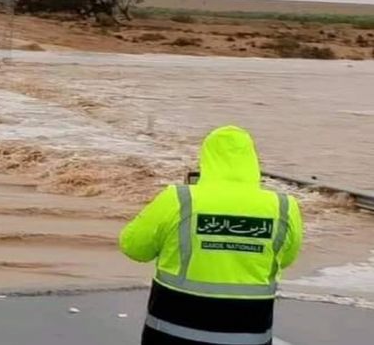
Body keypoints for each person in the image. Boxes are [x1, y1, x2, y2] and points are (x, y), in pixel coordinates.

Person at [120, 125, 303, 345]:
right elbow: (287, 258)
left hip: (173, 333)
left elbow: (134, 247)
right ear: (252, 161)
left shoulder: (179, 199)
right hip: (249, 336)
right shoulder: (283, 206)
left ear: (206, 159)